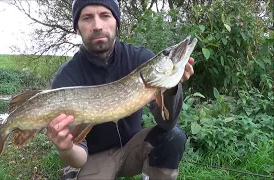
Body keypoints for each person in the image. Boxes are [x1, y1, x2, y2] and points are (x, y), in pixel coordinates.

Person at [46, 0, 195, 179]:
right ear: (77, 28)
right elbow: (79, 157)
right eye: (87, 18)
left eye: (105, 15)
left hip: (133, 149)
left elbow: (167, 124)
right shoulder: (66, 77)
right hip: (91, 160)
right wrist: (66, 148)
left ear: (116, 22)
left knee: (173, 136)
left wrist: (172, 88)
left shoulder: (140, 59)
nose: (97, 25)